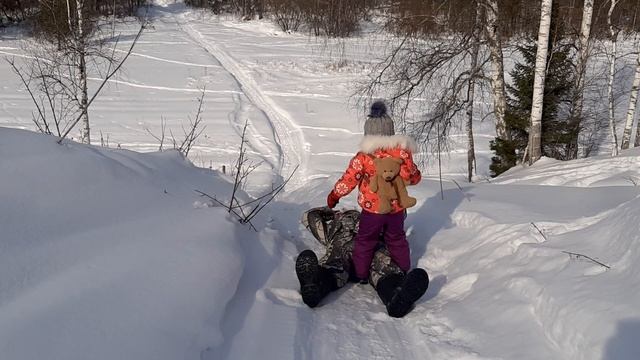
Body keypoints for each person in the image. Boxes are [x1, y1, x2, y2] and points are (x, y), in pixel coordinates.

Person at [327, 100, 422, 282]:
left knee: (365, 241)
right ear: (390, 132)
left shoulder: (364, 156)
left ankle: (360, 274)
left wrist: (335, 195)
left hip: (372, 211)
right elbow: (414, 178)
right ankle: (403, 270)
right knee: (397, 239)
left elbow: (349, 180)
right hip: (396, 210)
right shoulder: (402, 155)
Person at [296, 207, 428, 318]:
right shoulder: (333, 228)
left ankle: (397, 298)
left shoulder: (379, 221)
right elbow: (308, 217)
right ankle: (313, 286)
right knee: (333, 265)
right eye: (345, 214)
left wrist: (385, 208)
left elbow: (399, 213)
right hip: (344, 250)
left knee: (385, 270)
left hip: (373, 252)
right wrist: (329, 211)